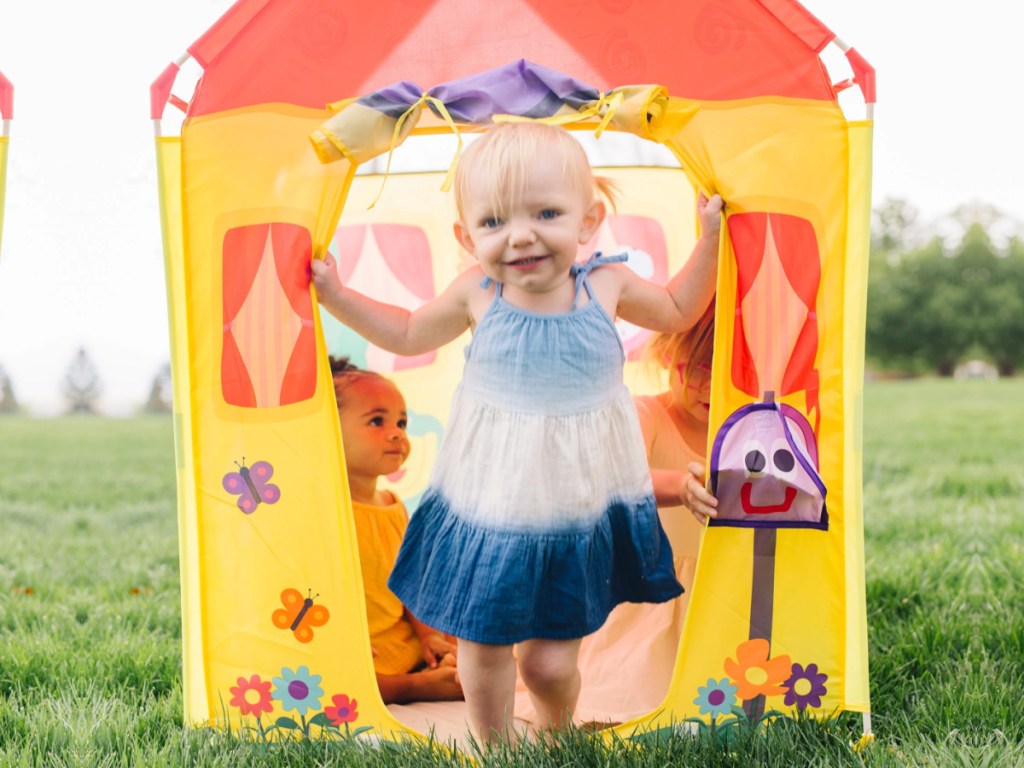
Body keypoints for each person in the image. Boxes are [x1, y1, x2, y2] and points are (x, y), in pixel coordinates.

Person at [312, 121, 724, 742]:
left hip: (570, 513)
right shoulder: (480, 294)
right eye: (494, 222)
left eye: (547, 213)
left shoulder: (605, 285)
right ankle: (496, 747)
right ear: (466, 236)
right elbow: (404, 330)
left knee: (551, 661)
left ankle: (556, 740)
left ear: (588, 222)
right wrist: (337, 295)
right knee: (483, 649)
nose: (521, 235)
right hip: (489, 506)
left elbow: (676, 309)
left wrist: (712, 239)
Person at [548, 303, 717, 727]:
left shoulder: (743, 424)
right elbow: (619, 476)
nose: (709, 384)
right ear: (666, 356)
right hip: (654, 591)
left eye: (728, 369)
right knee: (634, 691)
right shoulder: (647, 414)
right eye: (696, 367)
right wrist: (679, 484)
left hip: (717, 588)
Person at [330, 356, 463, 705]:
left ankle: (434, 667)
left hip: (404, 642)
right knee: (336, 681)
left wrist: (429, 637)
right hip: (362, 653)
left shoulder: (392, 504)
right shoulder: (324, 510)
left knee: (470, 633)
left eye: (402, 423)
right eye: (377, 421)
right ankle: (414, 687)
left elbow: (410, 584)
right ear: (327, 428)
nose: (397, 433)